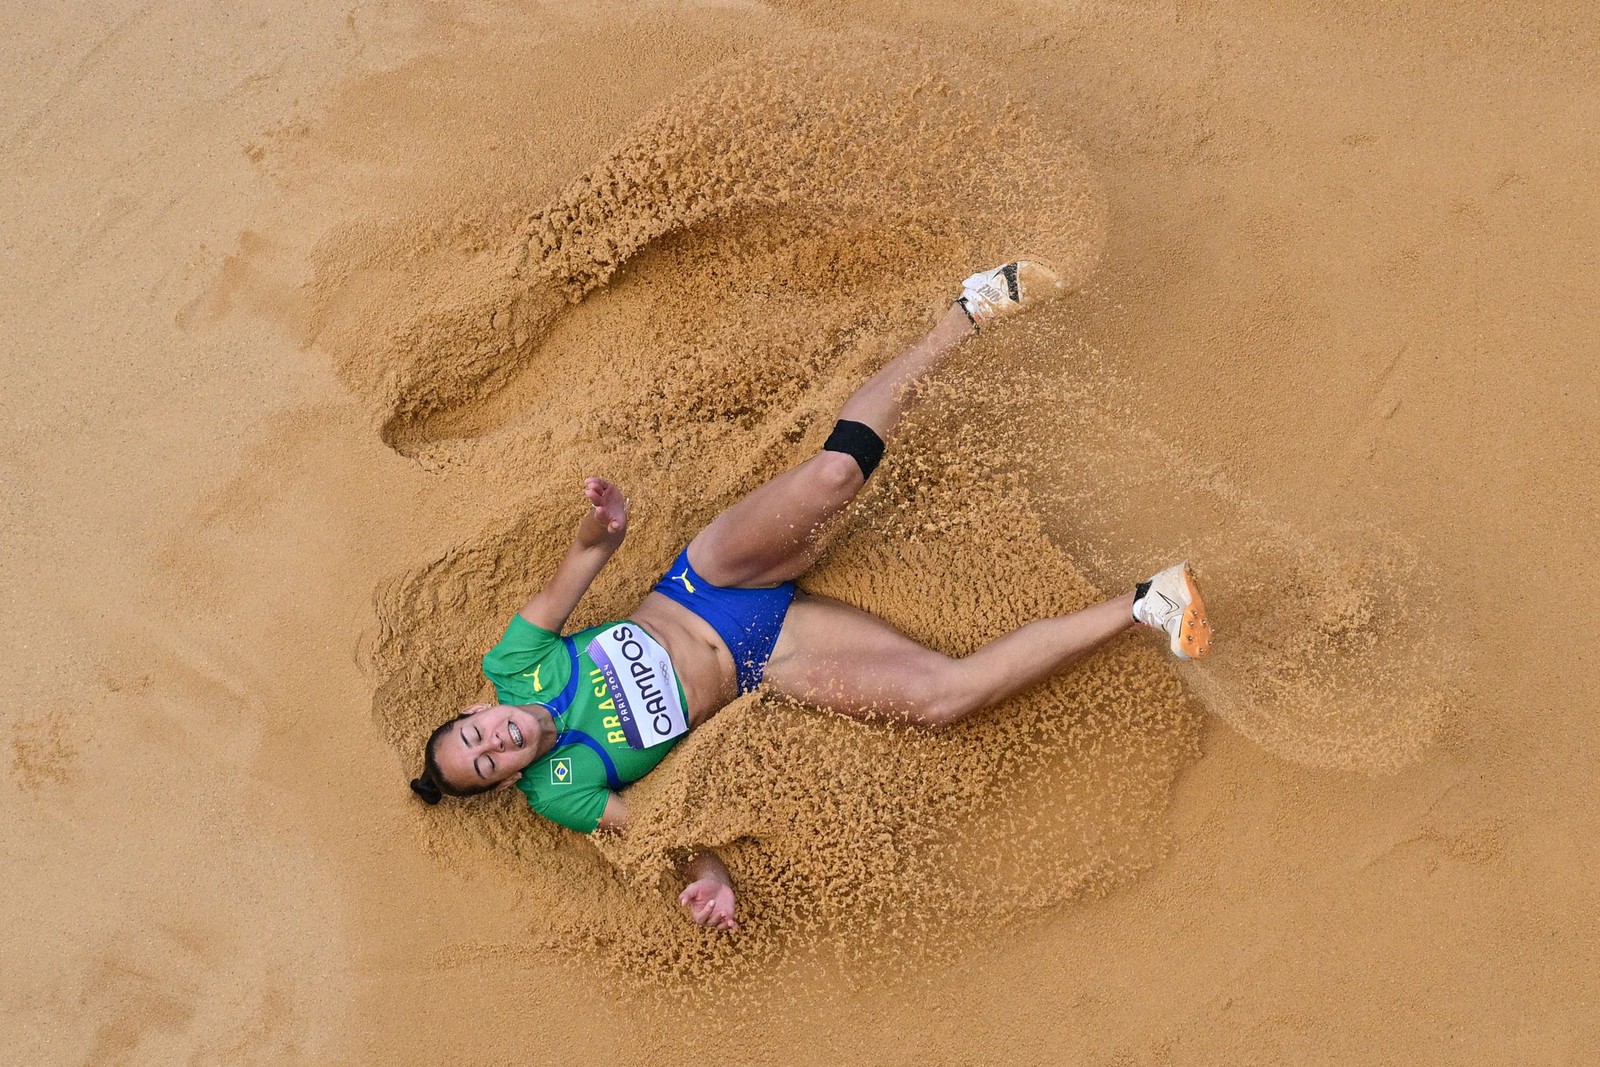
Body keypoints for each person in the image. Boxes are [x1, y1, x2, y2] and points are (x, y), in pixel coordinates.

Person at [408, 261, 1213, 932]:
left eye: (476, 731)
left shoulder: (518, 663)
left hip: (707, 582)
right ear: (506, 781)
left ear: (480, 707)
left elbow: (578, 568)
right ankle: (1149, 601)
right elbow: (664, 830)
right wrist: (710, 879)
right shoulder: (562, 790)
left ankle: (969, 311)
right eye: (487, 764)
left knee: (837, 473)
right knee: (944, 697)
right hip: (766, 660)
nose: (496, 740)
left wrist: (606, 527)